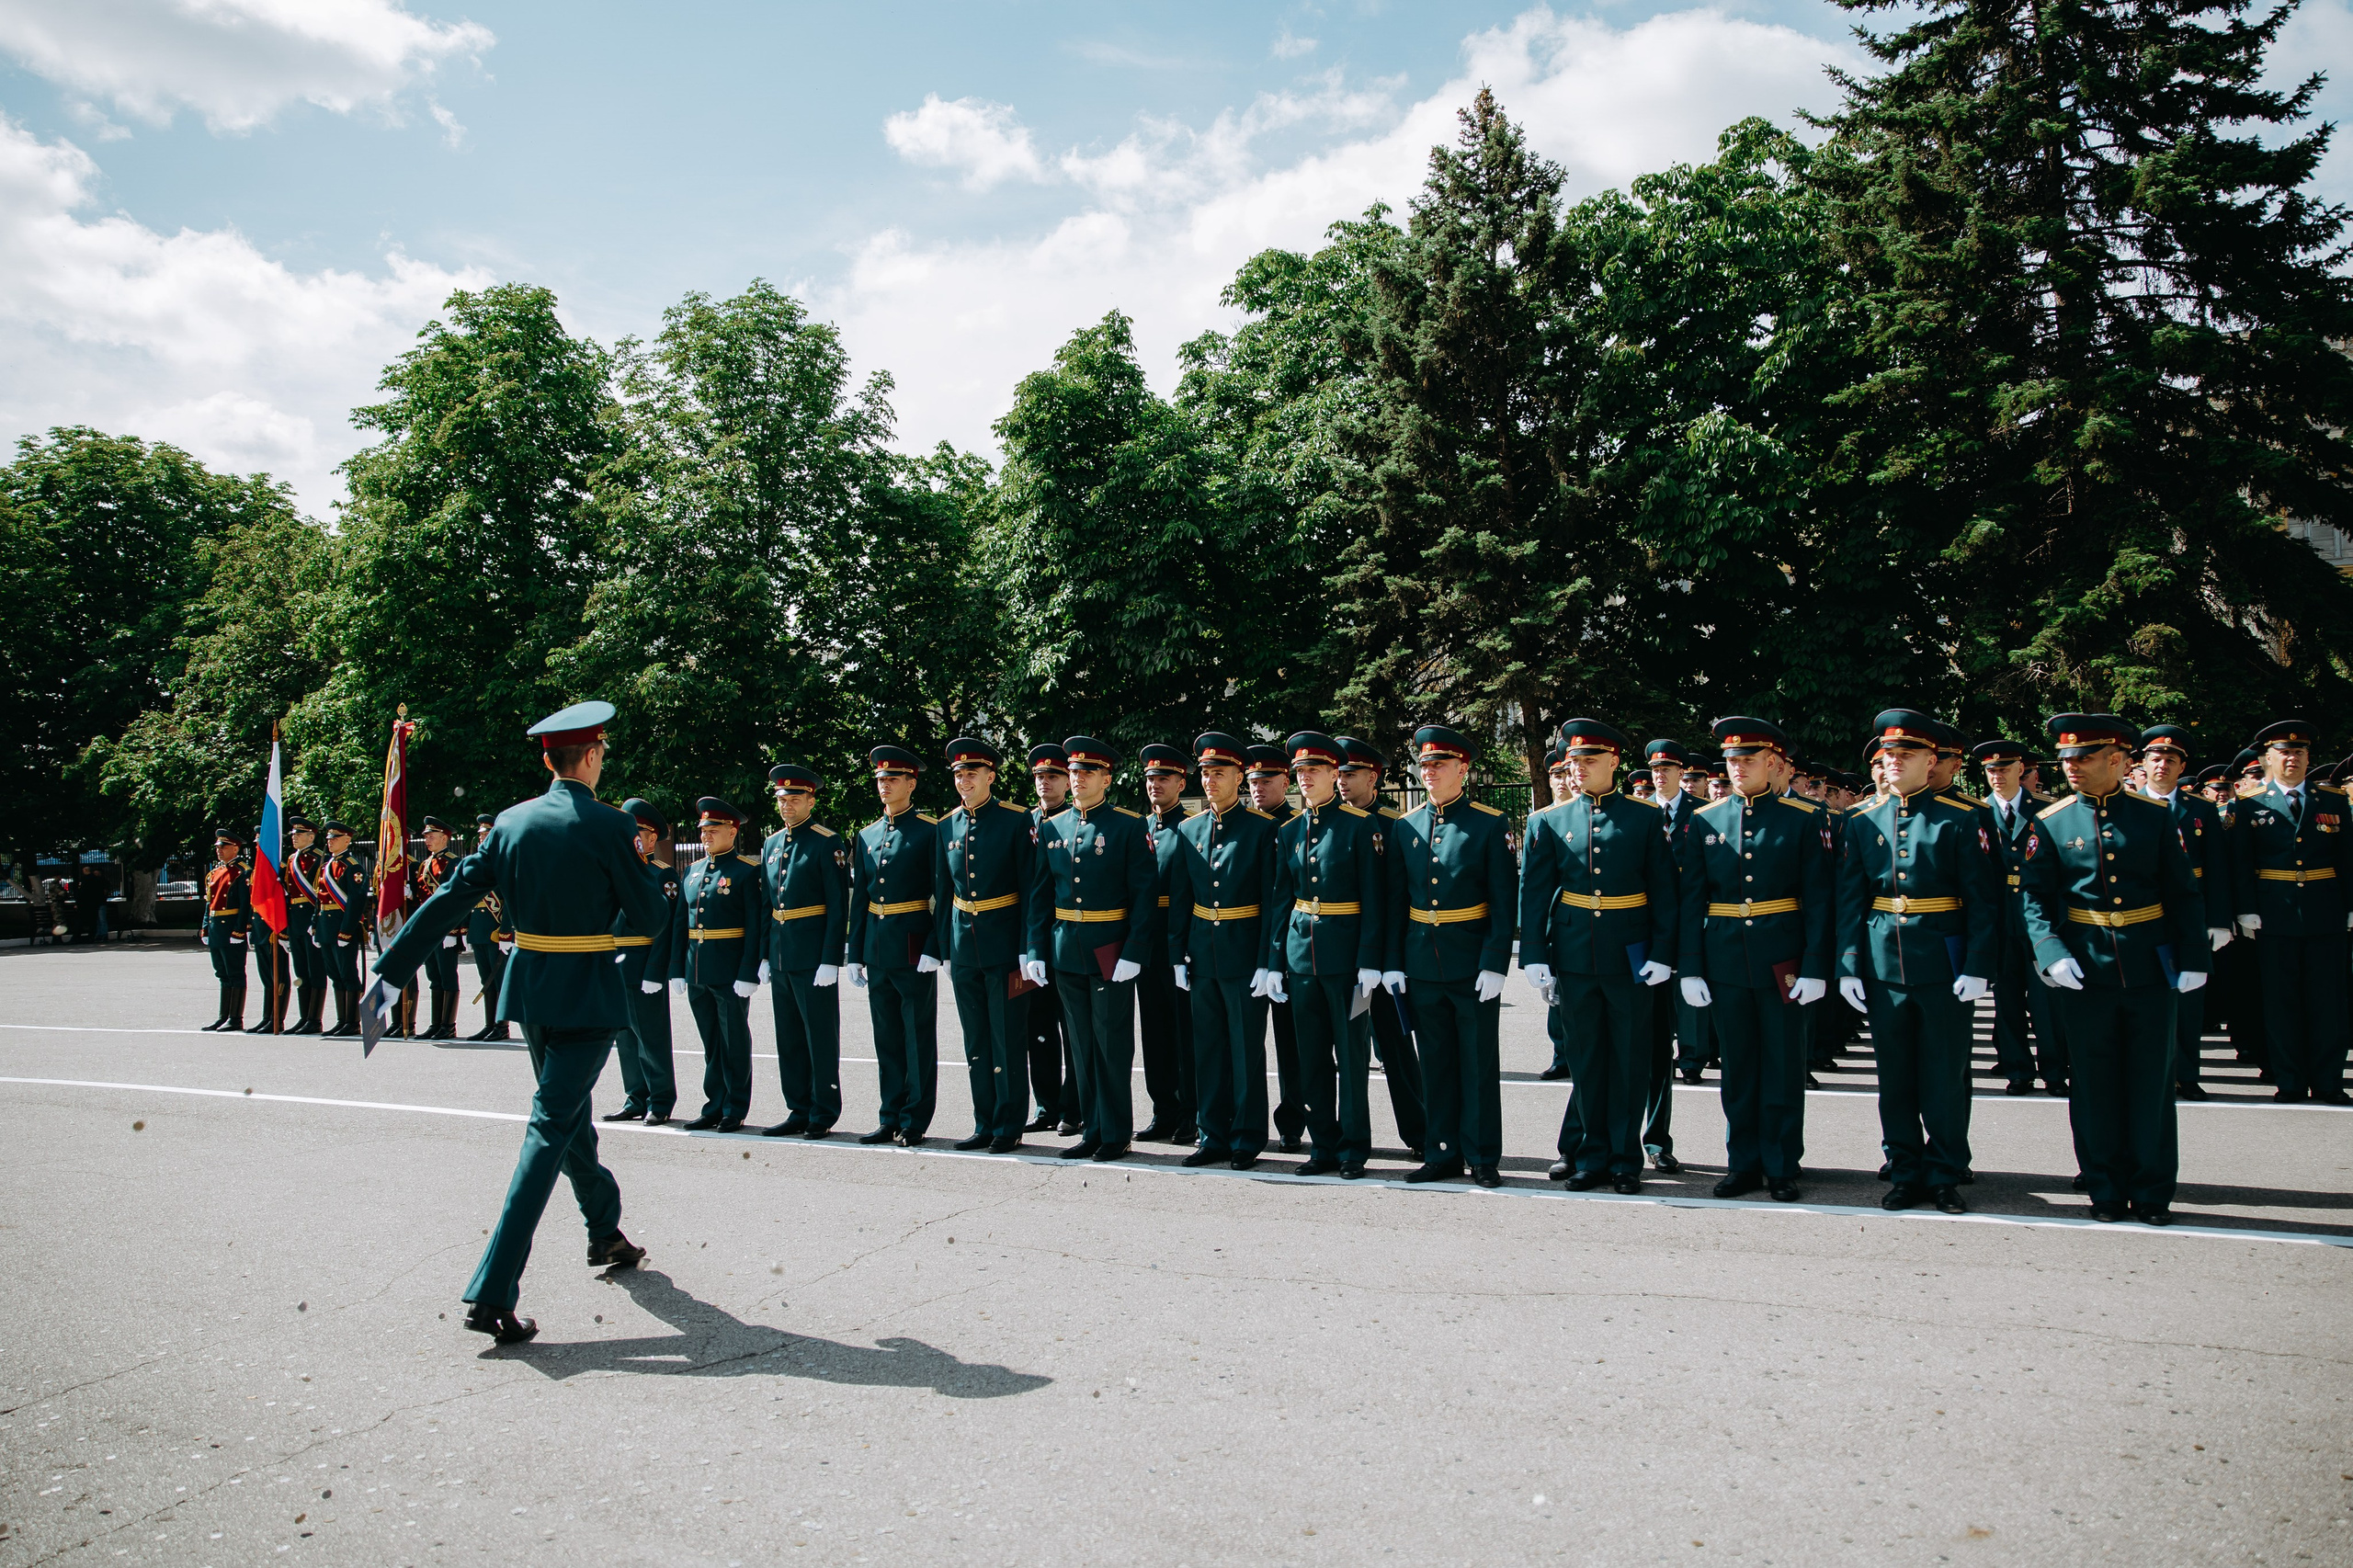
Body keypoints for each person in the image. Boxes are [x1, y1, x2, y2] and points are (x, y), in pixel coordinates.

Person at [366, 699, 666, 1343]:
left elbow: (447, 903)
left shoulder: (509, 823)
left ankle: (604, 1230)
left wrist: (390, 975)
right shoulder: (612, 826)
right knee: (550, 1126)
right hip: (587, 993)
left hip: (531, 995)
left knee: (565, 1119)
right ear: (589, 756)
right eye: (603, 753)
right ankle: (493, 1291)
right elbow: (650, 920)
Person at [2018, 713, 2208, 1223]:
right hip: (2085, 970)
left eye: (2085, 758)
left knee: (2151, 1082)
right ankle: (2104, 1187)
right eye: (2067, 759)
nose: (2072, 767)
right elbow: (2034, 898)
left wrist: (2193, 957)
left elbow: (2182, 893)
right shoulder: (2052, 821)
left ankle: (2151, 1191)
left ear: (2120, 761)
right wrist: (2051, 952)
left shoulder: (2153, 817)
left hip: (2149, 967)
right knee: (2094, 1084)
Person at [1836, 710, 2001, 1214]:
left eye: (1905, 755)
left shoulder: (1964, 817)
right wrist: (1847, 964)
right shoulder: (1862, 821)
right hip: (1885, 964)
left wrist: (1977, 965)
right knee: (1896, 1077)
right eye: (1887, 756)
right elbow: (1850, 899)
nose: (1893, 763)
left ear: (1931, 761)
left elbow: (1984, 900)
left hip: (1943, 965)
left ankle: (1945, 1171)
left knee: (1944, 1074)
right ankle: (1905, 1169)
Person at [1678, 717, 1833, 1202]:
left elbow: (1820, 901)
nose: (1738, 767)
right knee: (1739, 1066)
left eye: (1748, 760)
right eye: (1731, 760)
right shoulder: (1705, 820)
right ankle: (1743, 1162)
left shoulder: (1804, 818)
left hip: (1782, 957)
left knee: (1783, 1064)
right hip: (1725, 958)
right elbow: (1691, 900)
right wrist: (1691, 966)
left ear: (1772, 762)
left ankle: (1783, 1164)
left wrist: (1814, 965)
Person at [1520, 719, 1677, 1193]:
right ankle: (1591, 1156)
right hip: (1573, 955)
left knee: (1630, 1060)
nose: (1579, 769)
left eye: (1590, 761)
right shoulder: (1548, 820)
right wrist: (1535, 955)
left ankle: (1627, 1159)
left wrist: (1664, 952)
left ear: (1613, 762)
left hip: (1630, 953)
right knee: (1586, 1060)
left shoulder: (1646, 818)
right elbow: (1535, 893)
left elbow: (1665, 892)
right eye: (1574, 762)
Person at [1384, 725, 1518, 1187]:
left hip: (1471, 960)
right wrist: (1394, 962)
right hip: (1422, 960)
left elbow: (1504, 900)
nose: (1430, 772)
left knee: (1477, 1063)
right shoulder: (1406, 825)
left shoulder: (1489, 822)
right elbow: (1396, 901)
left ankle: (1482, 1155)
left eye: (1439, 764)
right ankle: (1442, 1152)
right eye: (1424, 765)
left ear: (1463, 769)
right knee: (1435, 1062)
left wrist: (1496, 960)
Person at [1025, 736, 1155, 1162]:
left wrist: (1134, 951)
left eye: (1086, 773)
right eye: (1073, 773)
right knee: (1081, 1045)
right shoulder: (1053, 826)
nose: (1077, 780)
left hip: (1110, 949)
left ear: (1107, 778)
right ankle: (1093, 1128)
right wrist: (1036, 949)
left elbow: (1143, 895)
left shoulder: (1129, 825)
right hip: (1066, 950)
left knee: (1111, 1043)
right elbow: (1041, 896)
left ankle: (1116, 1132)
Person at [1268, 732, 1389, 1178]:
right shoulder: (1289, 830)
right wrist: (1275, 960)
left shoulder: (1360, 825)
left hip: (1346, 958)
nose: (1303, 779)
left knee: (1352, 1057)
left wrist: (1370, 959)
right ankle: (1322, 1143)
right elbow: (1283, 899)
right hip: (1303, 958)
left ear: (1332, 774)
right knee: (1312, 1056)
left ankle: (1354, 1146)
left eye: (1312, 771)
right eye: (1298, 772)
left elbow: (1375, 899)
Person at [1167, 733, 1283, 1170]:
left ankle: (1247, 1136)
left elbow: (1273, 901)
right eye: (1206, 773)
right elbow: (1180, 899)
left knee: (1246, 1050)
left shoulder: (1262, 829)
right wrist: (1177, 954)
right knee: (1208, 1050)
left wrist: (1265, 961)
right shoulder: (1189, 829)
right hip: (1203, 954)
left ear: (1239, 777)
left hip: (1242, 954)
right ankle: (1211, 1134)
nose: (1211, 780)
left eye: (1220, 773)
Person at [2228, 720, 2350, 1104]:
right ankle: (2291, 1081)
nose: (2292, 758)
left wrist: (2351, 905)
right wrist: (2245, 909)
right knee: (2281, 1003)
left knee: (2328, 1002)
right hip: (2274, 912)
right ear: (2268, 759)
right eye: (2283, 752)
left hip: (2325, 910)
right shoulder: (2249, 805)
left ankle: (2329, 1081)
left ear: (2309, 758)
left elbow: (2347, 859)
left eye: (2299, 752)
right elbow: (2240, 862)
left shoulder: (2331, 801)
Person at [935, 739, 1040, 1153]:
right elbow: (943, 893)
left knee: (1009, 1038)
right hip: (964, 949)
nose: (963, 781)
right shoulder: (947, 825)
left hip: (1008, 947)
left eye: (971, 774)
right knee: (976, 1039)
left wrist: (1027, 947)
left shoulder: (1017, 820)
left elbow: (1031, 889)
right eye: (958, 775)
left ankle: (1009, 1124)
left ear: (990, 777)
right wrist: (944, 947)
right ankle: (984, 1121)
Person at [846, 745, 942, 1147]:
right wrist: (854, 953)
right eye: (880, 780)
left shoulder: (929, 829)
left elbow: (943, 891)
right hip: (877, 947)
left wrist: (934, 946)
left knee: (917, 1035)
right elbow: (861, 898)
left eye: (893, 780)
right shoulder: (867, 834)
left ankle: (915, 1119)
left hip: (913, 942)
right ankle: (890, 1114)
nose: (885, 786)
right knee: (885, 1036)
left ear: (911, 783)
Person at [1336, 737, 1427, 1157]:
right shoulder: (1328, 822)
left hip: (1385, 958)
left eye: (1350, 774)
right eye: (1338, 774)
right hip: (1339, 958)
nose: (1341, 781)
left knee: (1394, 1046)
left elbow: (1400, 898)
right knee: (1344, 1051)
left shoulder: (1396, 825)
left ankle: (1419, 1131)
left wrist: (1393, 959)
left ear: (1373, 777)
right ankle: (1343, 1135)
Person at [2137, 725, 2234, 1101]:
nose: (2162, 765)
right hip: (2144, 913)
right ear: (2142, 764)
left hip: (2189, 912)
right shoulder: (2127, 804)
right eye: (2156, 759)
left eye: (2170, 760)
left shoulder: (2202, 810)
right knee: (2146, 998)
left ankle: (2186, 1073)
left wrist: (2220, 920)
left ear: (2182, 768)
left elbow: (2218, 869)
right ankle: (2149, 1074)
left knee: (2189, 999)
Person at [756, 765, 848, 1137]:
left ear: (811, 800)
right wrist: (763, 954)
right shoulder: (771, 843)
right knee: (789, 1036)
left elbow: (837, 904)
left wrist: (831, 957)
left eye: (795, 799)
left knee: (819, 1036)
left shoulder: (827, 841)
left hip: (812, 955)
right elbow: (767, 903)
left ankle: (823, 1110)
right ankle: (798, 1107)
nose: (787, 806)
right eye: (783, 800)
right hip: (781, 953)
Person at [1976, 738, 2065, 1095]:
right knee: (2007, 1000)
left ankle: (2056, 1072)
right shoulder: (1976, 811)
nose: (1997, 776)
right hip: (1999, 920)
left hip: (2039, 920)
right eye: (1990, 770)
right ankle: (2017, 1069)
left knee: (2047, 1003)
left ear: (2021, 770)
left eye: (2004, 768)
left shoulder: (2046, 810)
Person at [677, 799, 765, 1133]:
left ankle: (735, 1106)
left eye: (714, 830)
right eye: (704, 830)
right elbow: (679, 925)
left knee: (734, 1041)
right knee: (711, 1042)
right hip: (697, 968)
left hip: (729, 971)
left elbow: (753, 926)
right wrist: (677, 969)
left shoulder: (746, 871)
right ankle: (713, 1105)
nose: (706, 836)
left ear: (733, 831)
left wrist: (748, 971)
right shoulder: (693, 871)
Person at [1246, 743, 1310, 1151]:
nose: (1258, 789)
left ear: (1285, 783)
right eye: (1252, 782)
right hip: (1245, 950)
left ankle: (1292, 1122)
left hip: (1287, 950)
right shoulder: (1243, 825)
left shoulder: (1298, 823)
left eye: (1266, 781)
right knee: (1248, 1044)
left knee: (1293, 1047)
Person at [603, 800, 682, 1124]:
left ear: (652, 839)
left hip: (643, 962)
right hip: (614, 963)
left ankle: (660, 1100)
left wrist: (655, 970)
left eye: (639, 832)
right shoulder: (613, 870)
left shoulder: (660, 874)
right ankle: (636, 1097)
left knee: (651, 1036)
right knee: (625, 1037)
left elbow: (667, 929)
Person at [1135, 743, 1199, 1143]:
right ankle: (1163, 1110)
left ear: (1181, 782)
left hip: (1180, 940)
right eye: (1150, 779)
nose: (1155, 785)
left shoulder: (1189, 827)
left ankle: (1190, 1112)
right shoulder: (1141, 827)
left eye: (1164, 779)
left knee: (1184, 1032)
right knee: (1154, 1031)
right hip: (1146, 941)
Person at [1022, 743, 1080, 1134]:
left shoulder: (1074, 820)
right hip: (1031, 942)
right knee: (1037, 1027)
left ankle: (1073, 1106)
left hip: (1068, 940)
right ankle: (1046, 1105)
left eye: (1053, 776)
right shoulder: (1020, 821)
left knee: (1073, 1028)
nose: (1045, 783)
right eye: (1039, 777)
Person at [1535, 744, 1576, 1084]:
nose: (1562, 781)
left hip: (1579, 918)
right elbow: (1533, 883)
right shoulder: (1540, 819)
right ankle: (1560, 1053)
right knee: (1555, 998)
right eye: (1555, 775)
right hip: (1553, 919)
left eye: (1566, 773)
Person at [408, 816, 464, 1040]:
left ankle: (448, 1025)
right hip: (427, 929)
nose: (427, 841)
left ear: (444, 838)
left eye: (431, 837)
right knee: (433, 976)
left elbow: (457, 900)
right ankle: (435, 1023)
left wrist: (454, 931)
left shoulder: (454, 862)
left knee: (447, 975)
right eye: (426, 837)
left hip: (444, 929)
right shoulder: (423, 865)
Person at [463, 812, 515, 1042]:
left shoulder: (505, 863)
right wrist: (465, 929)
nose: (483, 838)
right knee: (486, 980)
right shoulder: (479, 863)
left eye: (487, 834)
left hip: (496, 932)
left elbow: (512, 901)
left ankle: (501, 1026)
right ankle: (489, 1024)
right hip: (479, 930)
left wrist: (506, 932)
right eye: (481, 835)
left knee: (499, 979)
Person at [318, 822, 369, 1037]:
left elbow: (356, 902)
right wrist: (315, 925)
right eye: (329, 839)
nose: (330, 842)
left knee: (348, 974)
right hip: (326, 927)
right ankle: (341, 1020)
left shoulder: (352, 866)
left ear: (347, 841)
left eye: (335, 838)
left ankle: (352, 1021)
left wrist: (346, 931)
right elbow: (319, 898)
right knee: (335, 975)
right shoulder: (327, 865)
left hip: (342, 927)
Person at [200, 828, 252, 1031]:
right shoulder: (215, 872)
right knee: (222, 973)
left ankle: (236, 1018)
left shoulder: (243, 871)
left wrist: (240, 931)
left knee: (235, 972)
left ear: (235, 848)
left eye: (223, 847)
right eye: (217, 847)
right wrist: (205, 928)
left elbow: (245, 905)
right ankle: (223, 1016)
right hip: (216, 928)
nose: (219, 850)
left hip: (231, 928)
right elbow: (209, 903)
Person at [281, 815, 328, 1034]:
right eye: (293, 835)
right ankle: (304, 1017)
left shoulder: (320, 859)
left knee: (315, 970)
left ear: (311, 836)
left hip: (310, 920)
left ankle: (315, 1019)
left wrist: (316, 920)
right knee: (300, 972)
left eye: (299, 834)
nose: (294, 838)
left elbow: (321, 895)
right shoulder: (291, 860)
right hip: (295, 922)